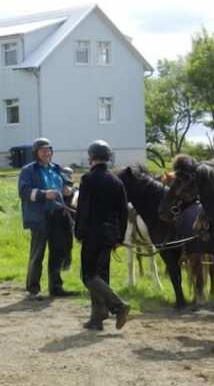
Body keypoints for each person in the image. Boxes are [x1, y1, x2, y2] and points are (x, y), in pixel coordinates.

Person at [74, 140, 130, 331]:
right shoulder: (117, 181)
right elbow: (124, 212)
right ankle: (97, 318)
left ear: (91, 157)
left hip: (92, 234)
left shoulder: (88, 179)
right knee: (101, 277)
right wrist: (119, 238)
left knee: (89, 276)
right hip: (110, 235)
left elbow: (83, 209)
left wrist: (79, 232)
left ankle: (118, 306)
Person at [18, 137, 77, 299]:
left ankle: (56, 287)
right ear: (36, 153)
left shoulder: (56, 169)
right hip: (40, 217)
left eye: (49, 150)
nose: (47, 153)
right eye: (43, 150)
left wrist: (68, 190)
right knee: (38, 253)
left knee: (57, 252)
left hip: (58, 216)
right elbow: (23, 192)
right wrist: (45, 194)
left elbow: (69, 185)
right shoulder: (28, 171)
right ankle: (33, 289)